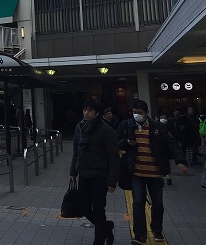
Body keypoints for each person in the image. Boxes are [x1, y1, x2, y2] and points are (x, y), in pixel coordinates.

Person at [116, 100, 187, 245]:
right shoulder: (126, 125)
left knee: (158, 204)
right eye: (134, 112)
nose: (137, 115)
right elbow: (116, 142)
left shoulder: (158, 127)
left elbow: (171, 144)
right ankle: (140, 235)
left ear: (147, 113)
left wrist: (180, 160)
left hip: (155, 172)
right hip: (136, 172)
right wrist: (126, 144)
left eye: (140, 113)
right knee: (138, 203)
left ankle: (157, 229)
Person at [69, 99, 119, 245]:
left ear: (97, 113)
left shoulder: (106, 130)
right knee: (84, 207)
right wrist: (73, 171)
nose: (86, 113)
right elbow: (75, 152)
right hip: (84, 174)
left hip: (100, 175)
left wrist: (112, 181)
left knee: (98, 208)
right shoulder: (79, 127)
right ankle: (106, 227)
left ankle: (99, 240)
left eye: (90, 110)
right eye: (85, 110)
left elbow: (113, 156)